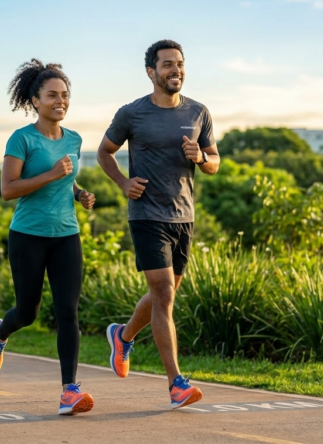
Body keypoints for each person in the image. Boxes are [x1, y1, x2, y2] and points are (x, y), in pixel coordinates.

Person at [96, 40, 219, 409]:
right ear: (151, 72)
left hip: (184, 216)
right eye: (167, 65)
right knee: (164, 294)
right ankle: (176, 384)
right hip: (147, 214)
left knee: (164, 295)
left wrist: (202, 158)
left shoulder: (199, 112)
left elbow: (214, 160)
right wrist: (122, 183)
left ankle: (123, 335)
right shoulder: (132, 114)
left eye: (179, 64)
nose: (175, 70)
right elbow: (104, 151)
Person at [0, 59, 97, 416]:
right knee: (28, 312)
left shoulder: (74, 139)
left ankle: (69, 391)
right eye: (52, 95)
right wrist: (50, 175)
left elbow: (68, 176)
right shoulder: (22, 139)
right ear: (35, 100)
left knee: (68, 312)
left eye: (65, 95)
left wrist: (78, 193)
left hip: (67, 235)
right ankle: (0, 333)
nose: (60, 101)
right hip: (28, 236)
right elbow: (7, 189)